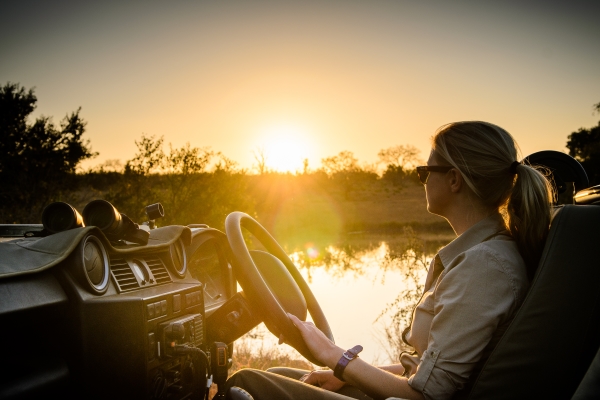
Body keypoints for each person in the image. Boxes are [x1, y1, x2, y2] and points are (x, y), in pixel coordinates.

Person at [224, 121, 554, 400]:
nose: (422, 180)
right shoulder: (481, 256)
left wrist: (333, 356)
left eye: (425, 171)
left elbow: (429, 393)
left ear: (454, 179)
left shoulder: (483, 265)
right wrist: (343, 373)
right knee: (283, 374)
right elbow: (431, 369)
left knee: (247, 383)